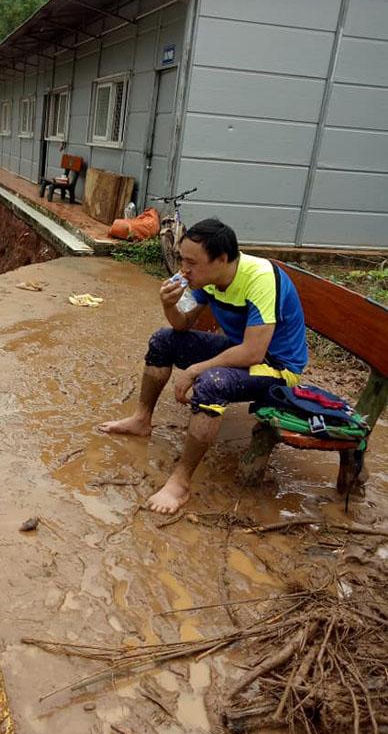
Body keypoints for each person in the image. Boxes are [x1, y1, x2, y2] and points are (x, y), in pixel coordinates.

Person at [99, 218, 308, 514]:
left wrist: (197, 369)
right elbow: (182, 325)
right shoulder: (207, 279)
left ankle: (181, 483)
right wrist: (169, 305)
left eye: (191, 262)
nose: (184, 269)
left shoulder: (260, 279)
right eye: (182, 260)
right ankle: (141, 419)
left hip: (276, 367)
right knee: (163, 340)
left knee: (212, 383)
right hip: (242, 351)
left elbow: (253, 352)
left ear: (221, 259)